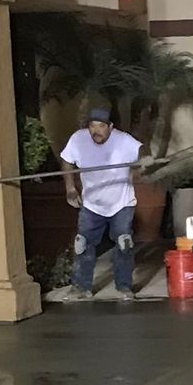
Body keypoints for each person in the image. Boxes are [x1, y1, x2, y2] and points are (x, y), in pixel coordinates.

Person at [60, 103, 143, 299]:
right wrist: (70, 188)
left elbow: (142, 152)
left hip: (121, 203)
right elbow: (66, 160)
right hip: (92, 204)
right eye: (92, 126)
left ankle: (124, 287)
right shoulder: (78, 139)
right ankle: (81, 288)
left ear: (111, 127)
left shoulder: (123, 140)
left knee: (124, 243)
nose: (96, 131)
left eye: (101, 126)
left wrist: (144, 162)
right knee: (82, 243)